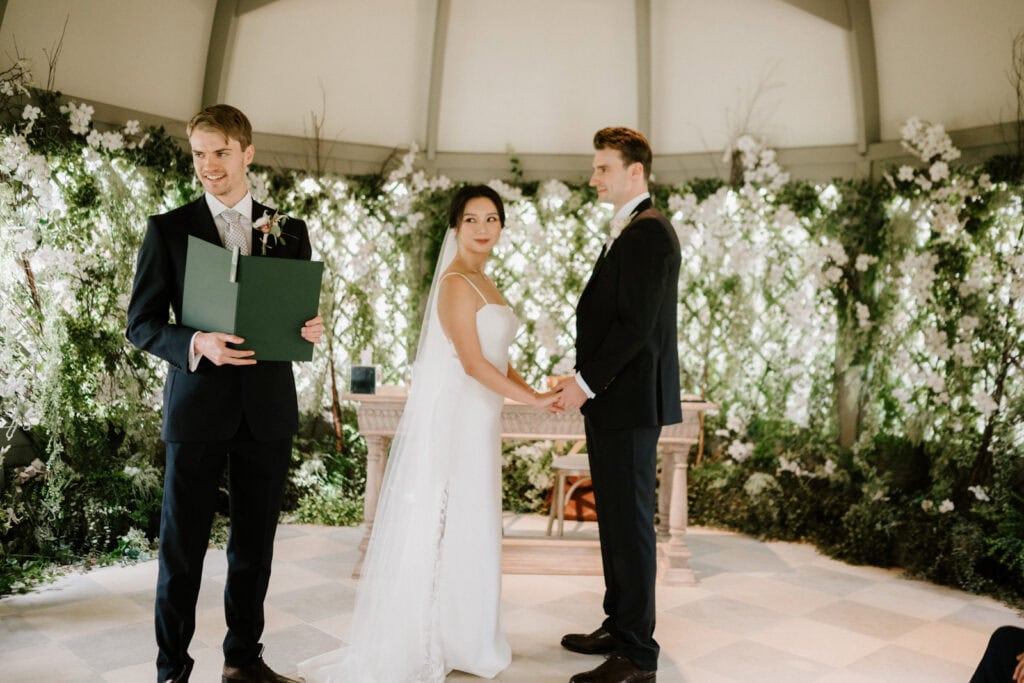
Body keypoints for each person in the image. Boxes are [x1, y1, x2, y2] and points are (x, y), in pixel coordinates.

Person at [298, 185, 561, 682]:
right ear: (455, 227)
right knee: (451, 523)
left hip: (483, 420)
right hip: (461, 419)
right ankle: (435, 637)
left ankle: (470, 634)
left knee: (474, 520)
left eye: (491, 219)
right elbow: (472, 363)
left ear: (501, 226)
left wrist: (540, 393)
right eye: (471, 220)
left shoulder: (487, 281)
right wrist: (531, 401)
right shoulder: (456, 283)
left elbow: (503, 358)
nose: (483, 229)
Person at [126, 104, 323, 683]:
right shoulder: (168, 228)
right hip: (197, 409)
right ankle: (172, 670)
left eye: (220, 153)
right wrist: (197, 343)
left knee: (254, 549)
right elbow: (141, 324)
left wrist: (307, 328)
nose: (209, 166)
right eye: (199, 154)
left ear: (247, 153)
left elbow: (292, 312)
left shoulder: (289, 230)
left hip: (266, 411)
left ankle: (243, 661)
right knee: (181, 550)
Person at [554, 127, 682, 683]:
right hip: (616, 402)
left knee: (630, 526)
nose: (594, 178)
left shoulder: (648, 232)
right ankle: (619, 622)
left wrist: (584, 382)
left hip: (626, 403)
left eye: (603, 167)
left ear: (636, 171)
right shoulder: (632, 229)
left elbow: (634, 328)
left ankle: (636, 654)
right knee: (615, 522)